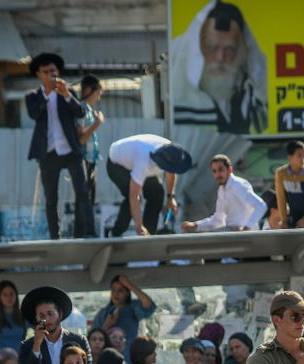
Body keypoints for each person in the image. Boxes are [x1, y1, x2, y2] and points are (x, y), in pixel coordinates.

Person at [169, 0, 267, 134]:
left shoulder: (251, 99)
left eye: (230, 49)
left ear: (241, 52)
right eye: (212, 48)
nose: (220, 57)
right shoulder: (182, 101)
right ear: (198, 50)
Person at [24, 52, 92, 240]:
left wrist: (67, 95)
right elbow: (34, 114)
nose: (50, 75)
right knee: (51, 198)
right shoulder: (33, 96)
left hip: (70, 150)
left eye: (53, 71)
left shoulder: (67, 92)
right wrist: (47, 94)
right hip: (48, 152)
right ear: (39, 74)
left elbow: (80, 112)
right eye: (46, 72)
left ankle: (89, 233)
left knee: (82, 192)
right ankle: (55, 236)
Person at [107, 134, 194, 237]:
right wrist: (139, 226)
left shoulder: (171, 152)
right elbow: (133, 195)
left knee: (157, 194)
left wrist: (170, 197)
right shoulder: (143, 162)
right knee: (132, 198)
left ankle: (149, 234)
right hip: (117, 164)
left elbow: (171, 172)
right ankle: (115, 234)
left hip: (136, 157)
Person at [182, 155, 267, 232]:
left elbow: (261, 205)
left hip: (245, 236)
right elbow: (218, 219)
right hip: (232, 233)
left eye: (220, 170)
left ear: (230, 170)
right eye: (214, 171)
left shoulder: (238, 185)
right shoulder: (222, 190)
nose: (218, 174)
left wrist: (246, 228)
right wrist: (195, 225)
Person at [76, 74, 105, 226]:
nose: (98, 98)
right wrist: (97, 123)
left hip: (91, 160)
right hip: (84, 161)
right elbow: (80, 139)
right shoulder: (81, 109)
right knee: (84, 201)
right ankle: (83, 232)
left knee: (90, 199)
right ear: (89, 90)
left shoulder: (88, 110)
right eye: (98, 93)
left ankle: (87, 231)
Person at [92, 276, 155, 345]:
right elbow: (93, 339)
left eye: (120, 290)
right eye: (113, 290)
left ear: (127, 293)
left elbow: (147, 303)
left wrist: (128, 284)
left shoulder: (133, 308)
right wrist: (106, 325)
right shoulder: (103, 313)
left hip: (128, 350)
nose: (116, 294)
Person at [274, 140, 304, 229]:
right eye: (299, 155)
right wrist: (283, 220)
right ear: (290, 157)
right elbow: (281, 199)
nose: (303, 159)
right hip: (293, 216)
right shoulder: (281, 174)